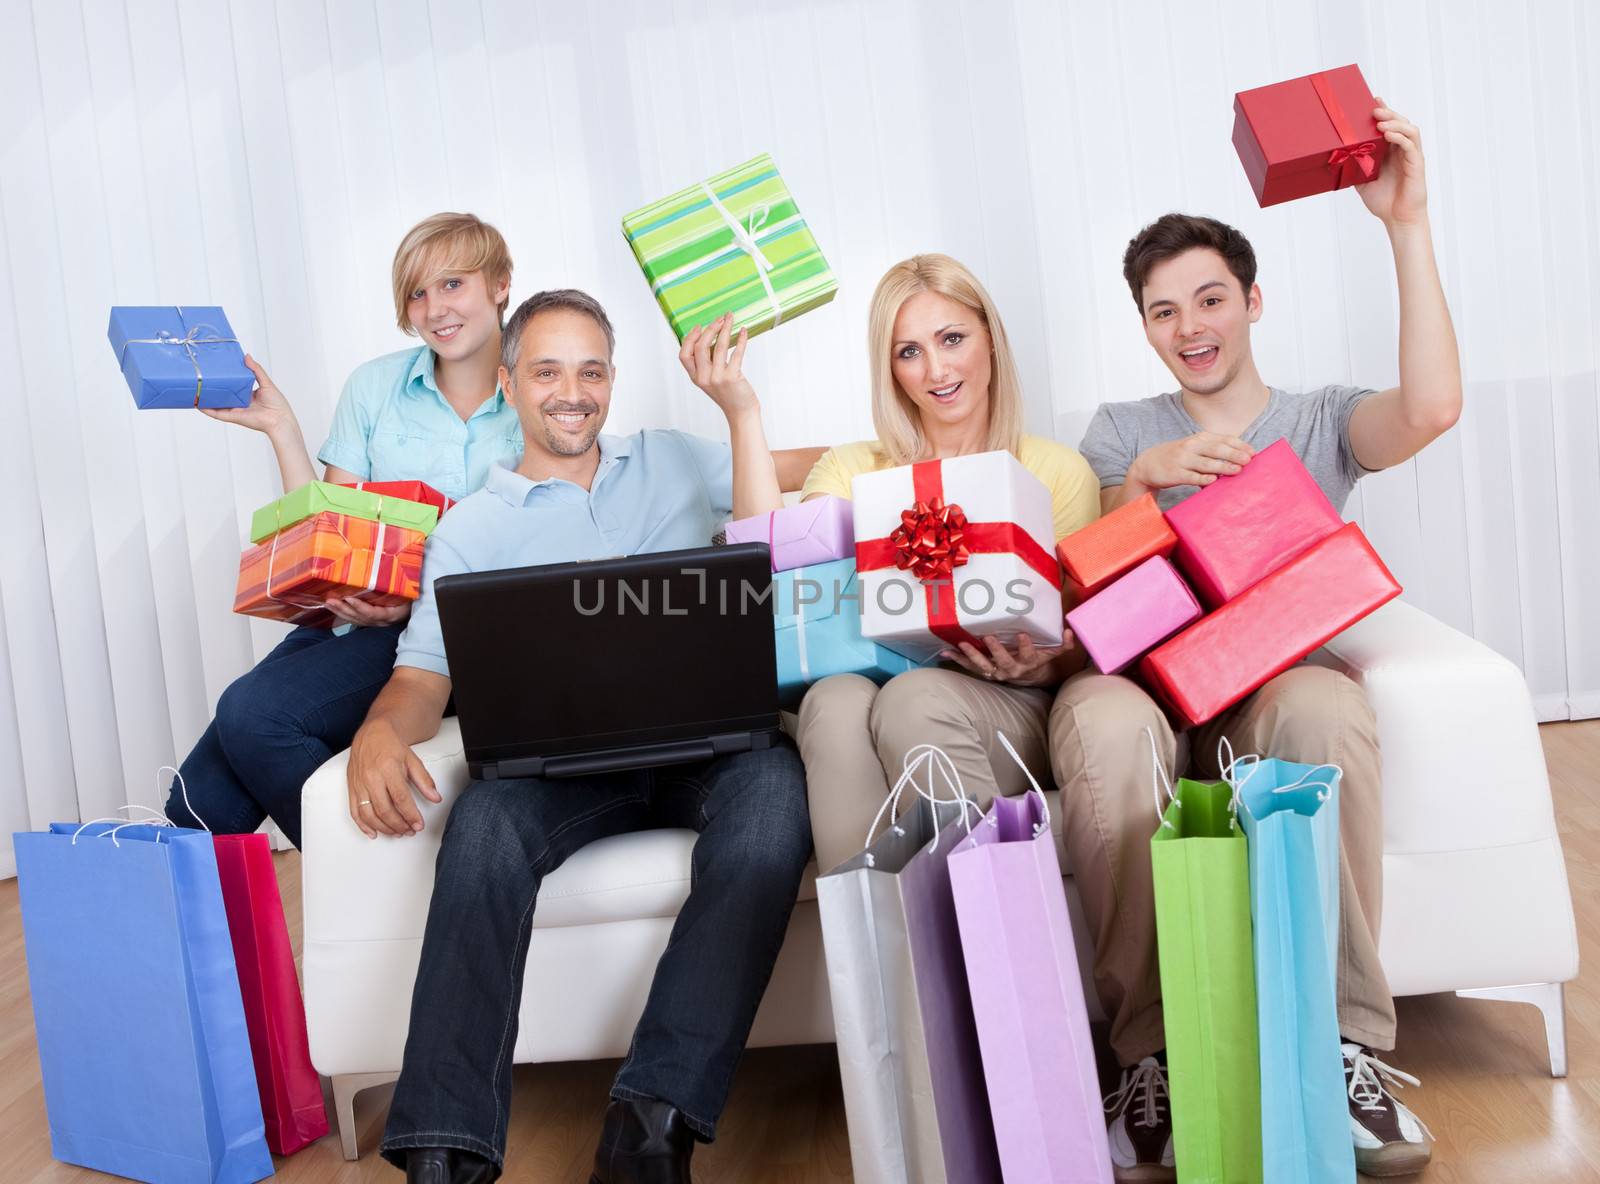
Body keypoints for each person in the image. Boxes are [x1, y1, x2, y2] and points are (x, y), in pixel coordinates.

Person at [1055, 102, 1459, 1181]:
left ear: (1250, 301)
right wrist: (1141, 483)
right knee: (1095, 718)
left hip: (1269, 685)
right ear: (1142, 326)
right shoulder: (1121, 428)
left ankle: (1343, 1046)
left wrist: (1403, 227)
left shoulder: (1321, 418)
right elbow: (1090, 583)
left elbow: (1428, 407)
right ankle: (1152, 1063)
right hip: (1146, 692)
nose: (1189, 326)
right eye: (1162, 310)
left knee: (1323, 701)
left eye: (1209, 300)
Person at [349, 290, 813, 1184]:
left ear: (613, 381)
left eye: (592, 370)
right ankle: (444, 1155)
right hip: (559, 775)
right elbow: (423, 677)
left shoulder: (675, 460)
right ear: (510, 383)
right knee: (480, 830)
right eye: (549, 371)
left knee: (772, 811)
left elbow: (801, 484)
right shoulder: (471, 528)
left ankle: (651, 1128)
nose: (573, 392)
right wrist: (378, 729)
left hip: (709, 753)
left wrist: (749, 409)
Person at [677, 253, 1099, 876]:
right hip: (878, 687)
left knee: (914, 697)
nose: (936, 370)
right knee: (831, 701)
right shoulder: (854, 467)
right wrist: (742, 411)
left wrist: (1035, 669)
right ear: (890, 367)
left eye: (952, 339)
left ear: (990, 338)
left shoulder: (1056, 471)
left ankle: (993, 938)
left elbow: (1078, 638)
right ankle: (876, 960)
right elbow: (775, 559)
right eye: (909, 352)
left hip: (1005, 703)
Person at [164, 212, 520, 847]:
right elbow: (333, 534)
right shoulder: (375, 386)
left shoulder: (541, 387)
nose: (434, 308)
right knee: (198, 803)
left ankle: (372, 875)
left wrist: (410, 602)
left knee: (254, 715)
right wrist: (282, 428)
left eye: (452, 284)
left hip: (456, 636)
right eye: (417, 292)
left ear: (500, 284)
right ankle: (216, 946)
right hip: (361, 623)